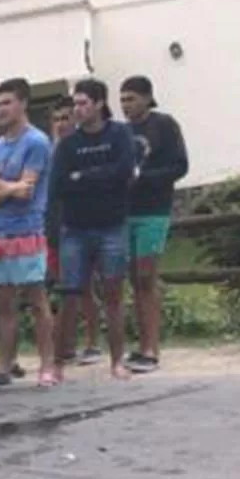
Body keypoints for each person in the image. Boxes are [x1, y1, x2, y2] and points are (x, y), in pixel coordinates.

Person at [49, 79, 136, 381]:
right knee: (69, 296)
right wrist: (97, 178)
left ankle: (117, 362)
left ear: (100, 103)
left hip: (112, 224)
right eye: (75, 104)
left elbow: (124, 171)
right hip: (75, 228)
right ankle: (58, 364)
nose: (78, 109)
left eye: (84, 103)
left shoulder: (119, 134)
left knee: (113, 294)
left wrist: (83, 177)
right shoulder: (68, 144)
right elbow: (59, 184)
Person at [0, 78, 58, 388]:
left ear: (23, 103)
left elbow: (27, 192)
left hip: (27, 228)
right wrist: (7, 188)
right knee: (4, 303)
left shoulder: (36, 142)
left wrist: (2, 185)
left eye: (7, 102)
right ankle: (4, 367)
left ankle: (47, 366)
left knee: (37, 299)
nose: (2, 109)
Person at [120, 76, 189, 373]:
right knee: (133, 279)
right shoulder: (120, 133)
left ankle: (152, 347)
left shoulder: (164, 125)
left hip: (153, 210)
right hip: (125, 212)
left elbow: (180, 165)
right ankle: (140, 342)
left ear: (148, 98)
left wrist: (145, 179)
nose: (126, 105)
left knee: (147, 276)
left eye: (132, 98)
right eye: (122, 99)